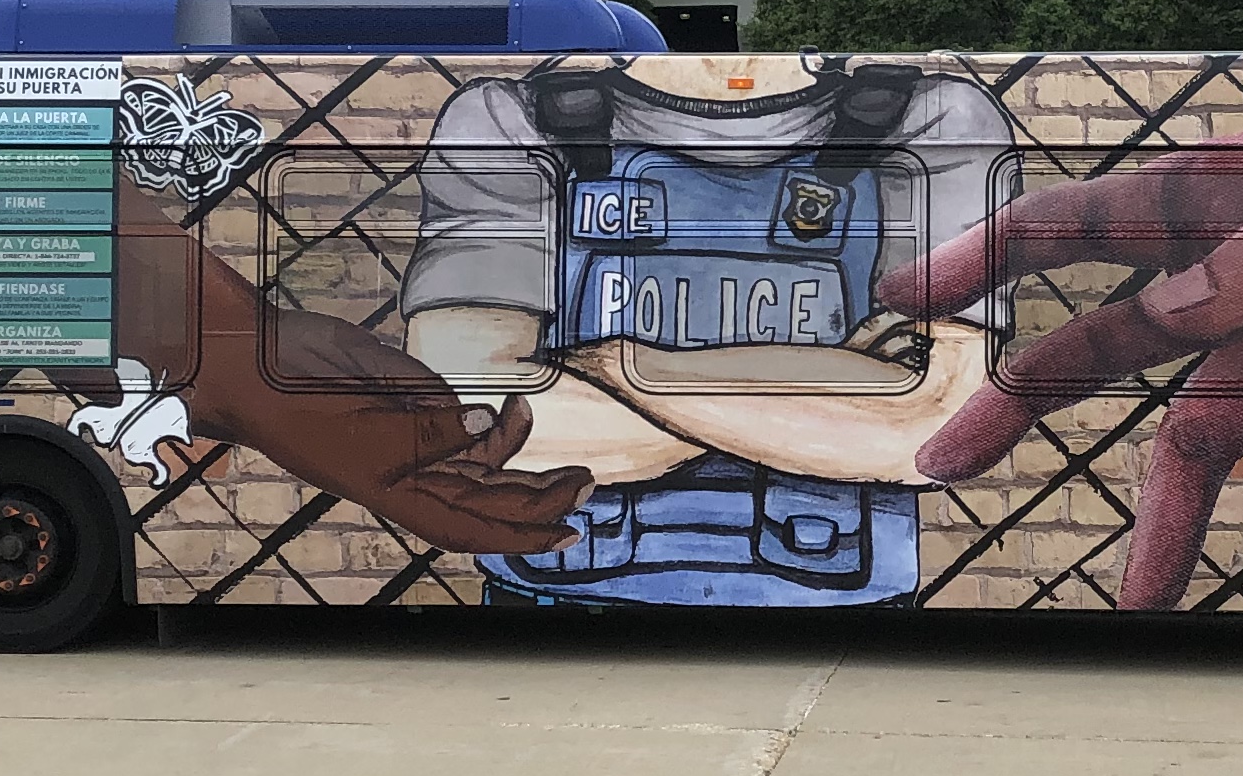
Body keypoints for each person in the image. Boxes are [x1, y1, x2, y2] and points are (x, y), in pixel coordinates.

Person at [400, 48, 1014, 607]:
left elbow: (940, 430)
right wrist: (836, 395)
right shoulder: (509, 119)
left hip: (847, 605)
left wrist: (620, 367)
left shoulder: (935, 119)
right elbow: (471, 415)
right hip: (547, 598)